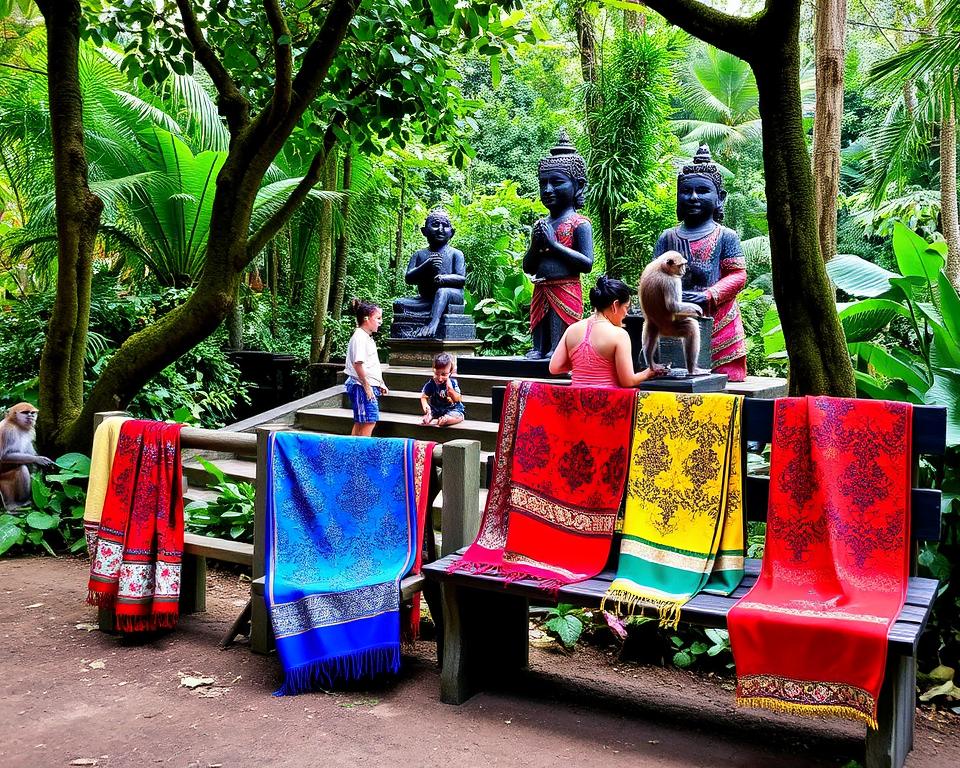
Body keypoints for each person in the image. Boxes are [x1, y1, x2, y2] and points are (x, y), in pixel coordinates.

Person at [654, 143, 747, 381]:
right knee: (675, 376)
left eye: (703, 191)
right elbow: (654, 276)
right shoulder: (668, 237)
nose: (693, 197)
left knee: (725, 381)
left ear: (719, 198)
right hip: (678, 318)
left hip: (719, 321)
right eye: (686, 191)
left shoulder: (725, 236)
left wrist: (709, 295)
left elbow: (737, 275)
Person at [523, 130, 594, 359]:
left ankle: (557, 350)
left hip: (566, 287)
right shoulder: (541, 224)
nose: (548, 190)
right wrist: (536, 245)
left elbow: (586, 263)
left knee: (559, 333)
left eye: (556, 182)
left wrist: (553, 246)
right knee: (540, 334)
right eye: (543, 183)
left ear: (578, 185)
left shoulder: (579, 223)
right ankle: (539, 348)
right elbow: (529, 266)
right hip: (541, 287)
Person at [549, 276, 663, 388]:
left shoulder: (572, 329)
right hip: (607, 402)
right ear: (615, 305)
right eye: (626, 307)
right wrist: (649, 372)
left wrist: (583, 366)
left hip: (576, 403)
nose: (626, 314)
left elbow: (554, 367)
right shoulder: (619, 335)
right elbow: (627, 381)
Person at [394, 207, 466, 338]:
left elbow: (461, 279)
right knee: (399, 304)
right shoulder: (420, 254)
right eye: (435, 225)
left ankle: (433, 324)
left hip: (451, 295)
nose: (440, 229)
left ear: (452, 232)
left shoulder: (456, 254)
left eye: (445, 226)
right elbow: (409, 279)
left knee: (442, 291)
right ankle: (429, 316)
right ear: (424, 231)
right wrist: (426, 265)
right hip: (426, 299)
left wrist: (443, 279)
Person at [344, 299, 389, 437]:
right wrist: (367, 387)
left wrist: (380, 383)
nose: (380, 321)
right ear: (366, 318)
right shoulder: (360, 338)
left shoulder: (365, 337)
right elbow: (358, 364)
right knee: (369, 421)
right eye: (378, 318)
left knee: (361, 422)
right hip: (361, 387)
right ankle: (361, 454)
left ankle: (354, 454)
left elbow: (370, 364)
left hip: (366, 386)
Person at [419, 353, 466, 427]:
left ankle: (447, 419)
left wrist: (450, 390)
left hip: (452, 409)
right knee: (430, 413)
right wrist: (427, 409)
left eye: (444, 375)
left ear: (450, 372)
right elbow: (424, 397)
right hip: (436, 409)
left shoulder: (453, 383)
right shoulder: (431, 383)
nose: (440, 378)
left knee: (457, 414)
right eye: (437, 374)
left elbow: (458, 399)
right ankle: (430, 417)